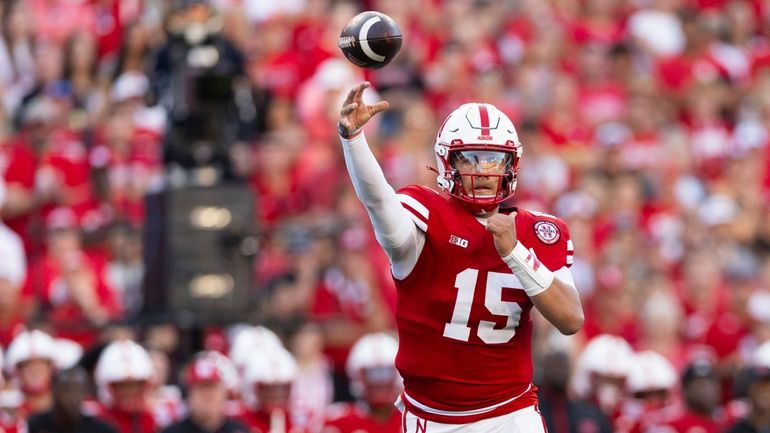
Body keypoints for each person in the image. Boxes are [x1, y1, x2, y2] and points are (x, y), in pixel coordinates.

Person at [336, 82, 584, 432]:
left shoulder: (538, 231)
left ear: (512, 164)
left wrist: (515, 253)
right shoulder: (425, 215)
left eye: (494, 160)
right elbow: (379, 203)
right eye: (471, 159)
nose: (483, 171)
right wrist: (354, 139)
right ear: (446, 161)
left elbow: (570, 318)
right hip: (433, 418)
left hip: (511, 414)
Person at [322, 333, 402, 433]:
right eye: (372, 374)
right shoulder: (338, 420)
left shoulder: (413, 418)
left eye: (385, 372)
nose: (379, 381)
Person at [160, 354, 249, 433]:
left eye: (212, 388)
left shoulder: (238, 430)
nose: (207, 395)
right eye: (201, 389)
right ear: (190, 395)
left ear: (223, 394)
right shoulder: (172, 431)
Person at [27, 367, 119, 433]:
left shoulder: (102, 429)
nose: (73, 397)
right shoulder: (35, 424)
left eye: (79, 391)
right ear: (55, 391)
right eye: (67, 390)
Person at [724, 342, 770, 433]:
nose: (764, 392)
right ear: (748, 389)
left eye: (767, 385)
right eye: (758, 386)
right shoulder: (736, 430)